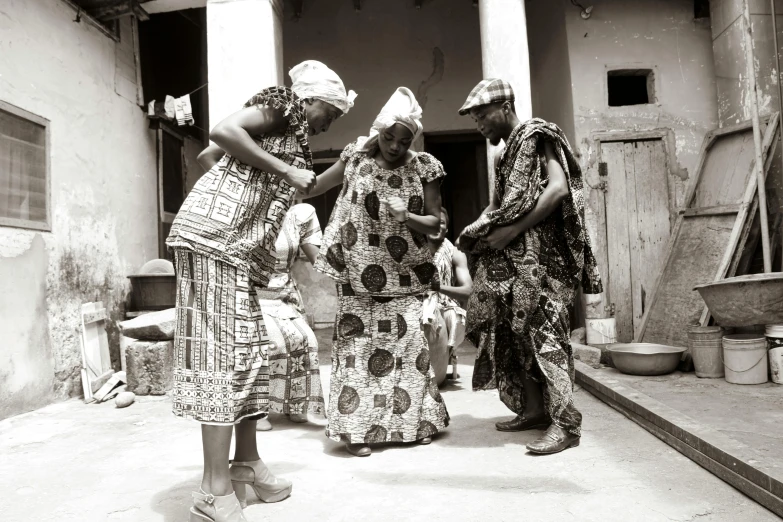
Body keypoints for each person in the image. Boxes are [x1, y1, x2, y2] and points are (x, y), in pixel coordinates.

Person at [166, 60, 355, 522]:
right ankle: (212, 491)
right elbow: (224, 130)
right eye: (331, 111)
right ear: (312, 100)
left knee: (251, 353)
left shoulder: (294, 142)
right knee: (221, 356)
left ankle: (246, 463)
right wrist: (285, 171)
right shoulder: (283, 108)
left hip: (240, 253)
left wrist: (344, 167)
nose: (332, 121)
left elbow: (298, 192)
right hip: (213, 240)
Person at [456, 79, 603, 455]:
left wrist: (512, 231)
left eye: (483, 116)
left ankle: (566, 425)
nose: (480, 125)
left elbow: (557, 190)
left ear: (505, 107)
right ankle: (535, 410)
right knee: (517, 336)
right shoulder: (504, 156)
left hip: (546, 266)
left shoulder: (538, 136)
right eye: (475, 120)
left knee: (548, 341)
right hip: (519, 268)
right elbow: (496, 207)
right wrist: (474, 231)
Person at [305, 87, 449, 457]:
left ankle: (414, 424)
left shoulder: (424, 167)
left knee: (408, 349)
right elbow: (317, 185)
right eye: (389, 137)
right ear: (378, 130)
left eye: (405, 140)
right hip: (357, 272)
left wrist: (407, 216)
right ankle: (357, 431)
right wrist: (276, 181)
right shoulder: (355, 158)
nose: (396, 146)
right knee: (357, 350)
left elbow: (435, 222)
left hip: (404, 274)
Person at [421, 207, 472, 385]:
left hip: (442, 307)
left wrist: (438, 288)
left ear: (446, 229)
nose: (436, 226)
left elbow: (467, 290)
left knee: (431, 309)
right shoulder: (413, 249)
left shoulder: (455, 253)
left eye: (440, 223)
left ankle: (439, 364)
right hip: (415, 303)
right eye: (432, 222)